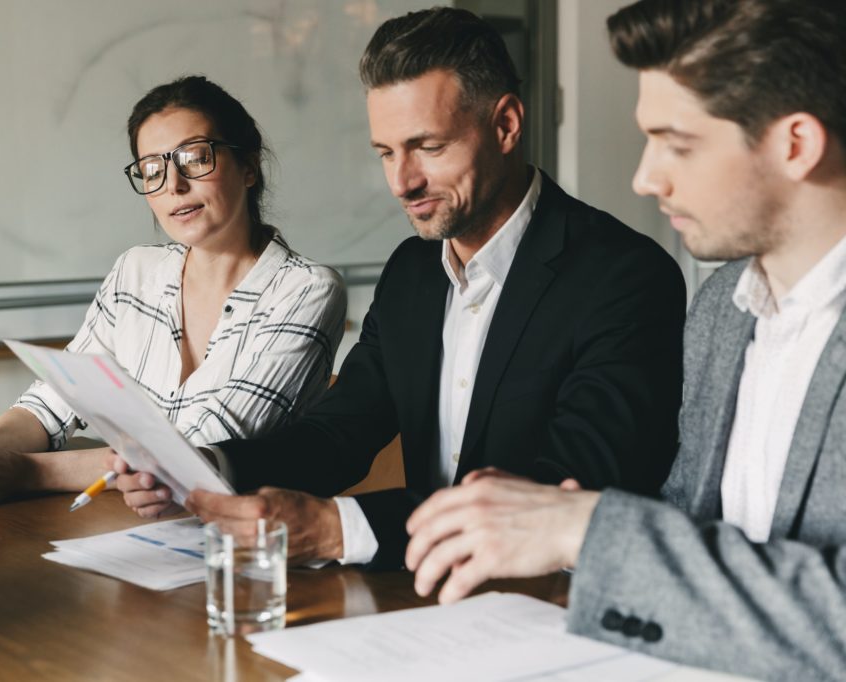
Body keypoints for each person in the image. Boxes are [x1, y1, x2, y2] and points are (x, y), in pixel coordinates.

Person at [118, 8, 686, 568]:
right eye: (386, 153)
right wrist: (207, 465)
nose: (402, 183)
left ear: (506, 125)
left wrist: (335, 528)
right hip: (421, 594)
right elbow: (337, 434)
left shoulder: (626, 277)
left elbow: (570, 486)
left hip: (555, 606)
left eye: (428, 148)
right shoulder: (413, 270)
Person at [405, 1, 846, 679]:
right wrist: (550, 526)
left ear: (795, 144)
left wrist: (581, 528)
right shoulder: (721, 314)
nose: (646, 177)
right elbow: (686, 534)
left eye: (678, 142)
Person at [0, 76, 347, 510]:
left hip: (250, 549)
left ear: (248, 166)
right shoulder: (136, 271)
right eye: (152, 169)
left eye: (195, 157)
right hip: (130, 529)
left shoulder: (306, 290)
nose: (174, 185)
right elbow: (54, 401)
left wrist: (25, 472)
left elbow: (193, 456)